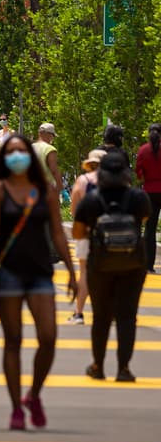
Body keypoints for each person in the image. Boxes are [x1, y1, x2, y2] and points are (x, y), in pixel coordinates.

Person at [0, 134, 76, 431]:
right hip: (9, 271)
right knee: (13, 340)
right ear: (4, 158)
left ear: (30, 156)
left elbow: (57, 232)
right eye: (11, 152)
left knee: (48, 337)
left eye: (21, 151)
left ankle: (33, 394)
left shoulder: (44, 189)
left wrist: (72, 271)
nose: (17, 156)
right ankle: (15, 409)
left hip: (39, 271)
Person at [72, 149, 149, 383]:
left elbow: (78, 233)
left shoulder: (92, 200)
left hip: (100, 264)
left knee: (101, 317)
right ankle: (124, 368)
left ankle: (98, 366)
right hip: (133, 264)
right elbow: (144, 220)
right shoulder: (138, 198)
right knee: (127, 316)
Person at [66, 149, 105, 324]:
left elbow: (74, 210)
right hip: (109, 234)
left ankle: (79, 313)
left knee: (84, 273)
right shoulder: (115, 181)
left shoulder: (83, 181)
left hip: (86, 232)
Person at [134, 123, 161, 273]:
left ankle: (148, 265)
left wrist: (145, 179)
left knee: (150, 229)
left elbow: (139, 172)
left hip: (150, 191)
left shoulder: (143, 150)